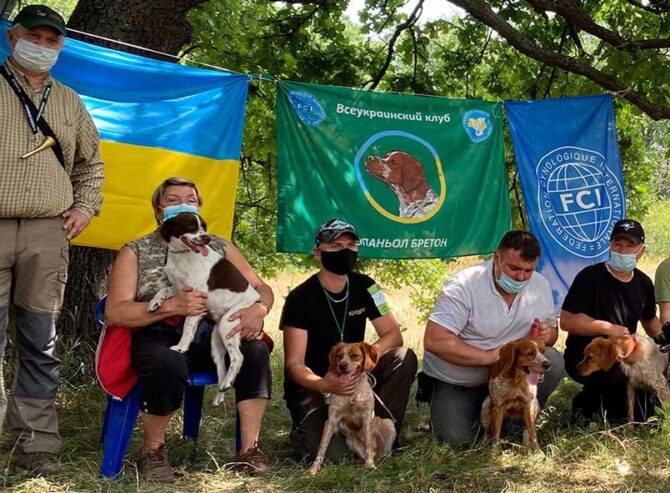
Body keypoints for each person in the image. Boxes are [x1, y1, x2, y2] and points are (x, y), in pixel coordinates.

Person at [104, 177, 273, 481]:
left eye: (190, 199)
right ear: (159, 211)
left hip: (212, 329)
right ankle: (153, 452)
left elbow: (261, 287)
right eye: (172, 199)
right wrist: (171, 307)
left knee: (256, 351)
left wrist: (258, 309)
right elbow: (116, 311)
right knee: (167, 362)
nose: (183, 203)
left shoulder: (218, 246)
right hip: (157, 330)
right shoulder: (136, 251)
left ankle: (249, 451)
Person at [0, 5, 105, 473]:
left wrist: (84, 208)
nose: (42, 47)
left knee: (40, 337)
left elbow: (91, 165)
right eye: (34, 37)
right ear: (12, 37)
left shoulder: (68, 101)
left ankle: (36, 440)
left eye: (52, 41)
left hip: (47, 232)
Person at [281, 219, 418, 462]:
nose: (345, 251)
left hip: (355, 373)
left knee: (403, 357)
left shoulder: (368, 286)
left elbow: (393, 335)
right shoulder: (300, 297)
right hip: (316, 384)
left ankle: (381, 428)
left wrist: (369, 355)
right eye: (335, 247)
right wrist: (324, 384)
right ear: (318, 253)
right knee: (335, 458)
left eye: (351, 245)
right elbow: (294, 365)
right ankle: (305, 431)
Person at [422, 231, 565, 448]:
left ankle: (516, 423)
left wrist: (547, 335)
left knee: (553, 360)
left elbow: (551, 336)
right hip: (460, 381)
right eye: (514, 268)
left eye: (529, 270)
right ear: (497, 257)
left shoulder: (540, 285)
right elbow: (435, 340)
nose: (521, 277)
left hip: (512, 377)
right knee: (458, 442)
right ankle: (463, 412)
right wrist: (490, 357)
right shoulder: (464, 284)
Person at [561, 219, 662, 424]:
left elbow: (650, 321)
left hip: (627, 355)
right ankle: (586, 404)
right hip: (588, 356)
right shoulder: (589, 277)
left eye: (629, 245)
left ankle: (607, 403)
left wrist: (669, 346)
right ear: (610, 245)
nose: (622, 250)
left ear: (641, 251)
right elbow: (567, 321)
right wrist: (606, 327)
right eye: (618, 244)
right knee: (619, 402)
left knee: (646, 415)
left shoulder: (643, 283)